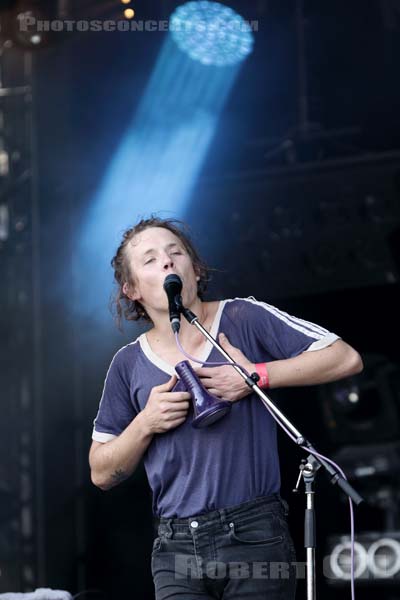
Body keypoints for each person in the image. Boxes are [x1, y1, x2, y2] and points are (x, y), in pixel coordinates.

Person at [89, 216, 363, 600]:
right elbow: (101, 473)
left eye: (175, 252)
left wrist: (255, 376)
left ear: (196, 270)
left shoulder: (242, 317)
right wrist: (145, 424)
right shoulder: (128, 363)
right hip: (175, 545)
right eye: (149, 260)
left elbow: (345, 358)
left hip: (254, 532)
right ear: (131, 289)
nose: (167, 262)